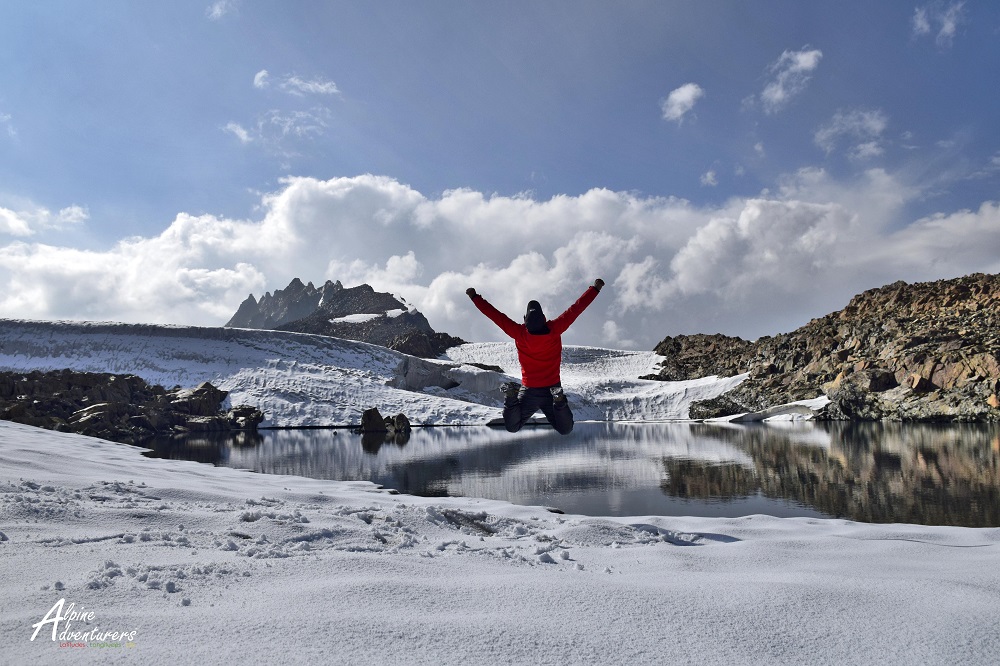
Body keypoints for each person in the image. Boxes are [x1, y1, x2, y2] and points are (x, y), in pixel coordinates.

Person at [466, 279, 605, 434]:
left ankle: (511, 398)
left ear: (525, 319)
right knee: (565, 429)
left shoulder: (519, 333)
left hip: (529, 391)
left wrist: (475, 297)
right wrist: (595, 288)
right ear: (543, 317)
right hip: (552, 389)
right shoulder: (555, 329)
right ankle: (559, 401)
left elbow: (495, 315)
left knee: (512, 427)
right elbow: (576, 309)